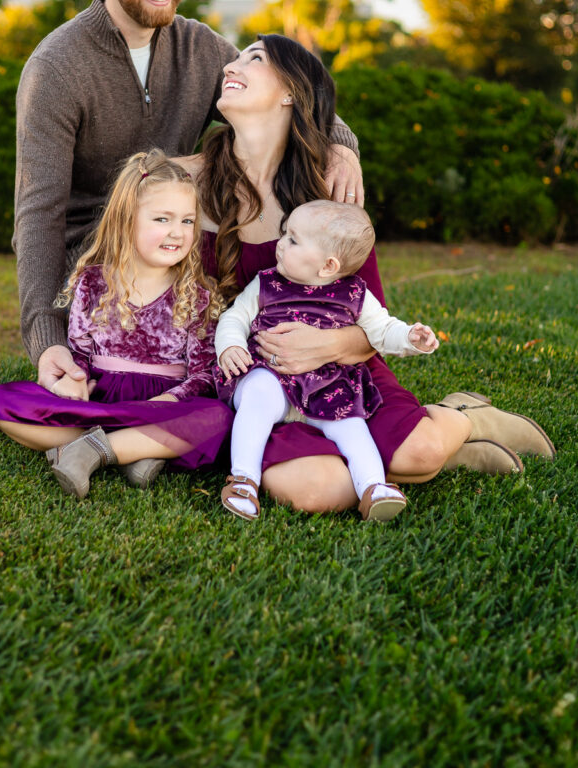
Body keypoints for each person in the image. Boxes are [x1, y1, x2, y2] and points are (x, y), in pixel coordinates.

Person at [175, 33, 555, 514]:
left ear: (291, 92)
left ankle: (466, 418)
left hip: (341, 374)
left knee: (418, 453)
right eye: (236, 56)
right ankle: (417, 458)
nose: (232, 65)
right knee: (317, 492)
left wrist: (324, 346)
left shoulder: (327, 195)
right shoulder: (182, 180)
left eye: (254, 58)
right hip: (255, 381)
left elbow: (368, 317)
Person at [13, 0, 362, 399]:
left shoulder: (199, 46)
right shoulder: (55, 67)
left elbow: (279, 90)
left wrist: (341, 143)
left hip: (183, 257)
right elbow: (39, 213)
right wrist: (47, 340)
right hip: (98, 278)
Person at [0, 150, 233, 499]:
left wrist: (169, 400)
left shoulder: (197, 293)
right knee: (1, 402)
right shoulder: (93, 282)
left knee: (218, 417)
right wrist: (74, 379)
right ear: (126, 219)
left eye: (187, 222)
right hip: (103, 399)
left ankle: (92, 451)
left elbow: (204, 375)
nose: (177, 232)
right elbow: (81, 353)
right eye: (162, 219)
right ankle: (137, 450)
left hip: (164, 405)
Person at [215, 200, 439, 522]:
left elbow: (382, 330)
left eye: (292, 240)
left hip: (328, 388)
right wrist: (230, 346)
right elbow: (235, 317)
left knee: (351, 426)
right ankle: (243, 481)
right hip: (270, 373)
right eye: (284, 233)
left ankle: (374, 488)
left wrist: (411, 339)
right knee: (257, 401)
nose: (280, 244)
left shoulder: (355, 294)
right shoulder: (267, 283)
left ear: (328, 266)